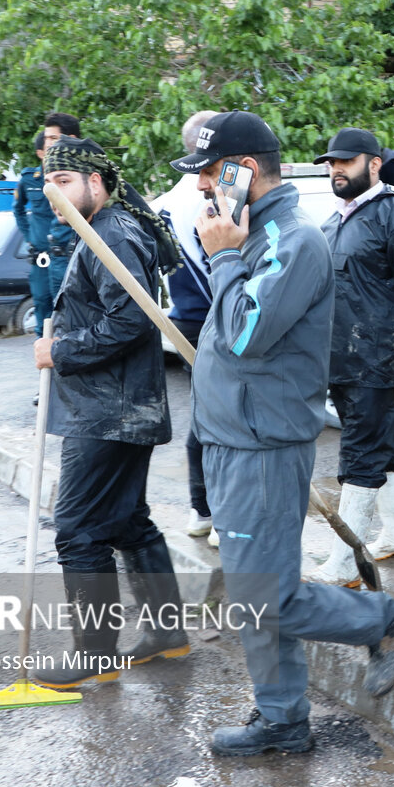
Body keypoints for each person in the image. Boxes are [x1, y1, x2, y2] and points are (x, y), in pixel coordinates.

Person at [168, 110, 394, 756]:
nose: (201, 186)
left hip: (262, 445)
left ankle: (386, 619)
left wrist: (223, 257)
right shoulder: (249, 229)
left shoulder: (295, 240)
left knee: (267, 596)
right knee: (256, 593)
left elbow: (246, 335)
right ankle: (283, 717)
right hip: (230, 439)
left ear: (244, 168)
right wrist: (223, 251)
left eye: (207, 172)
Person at [31, 135, 189, 688]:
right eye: (49, 181)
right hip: (118, 408)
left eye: (65, 181)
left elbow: (131, 321)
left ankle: (95, 652)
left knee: (77, 528)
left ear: (94, 183)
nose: (54, 192)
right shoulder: (101, 229)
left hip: (109, 412)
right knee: (125, 520)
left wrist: (61, 351)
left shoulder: (112, 235)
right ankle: (168, 633)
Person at [305, 127, 394, 587]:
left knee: (360, 458)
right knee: (387, 447)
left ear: (374, 164)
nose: (336, 169)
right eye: (331, 163)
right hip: (341, 364)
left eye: (346, 161)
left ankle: (345, 565)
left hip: (379, 365)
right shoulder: (332, 222)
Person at [152, 110, 220, 544]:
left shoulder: (159, 204)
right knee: (225, 418)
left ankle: (202, 511)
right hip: (216, 320)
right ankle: (219, 514)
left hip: (182, 324)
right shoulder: (211, 201)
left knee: (204, 414)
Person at [13, 131, 52, 337]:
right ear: (39, 153)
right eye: (49, 149)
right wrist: (30, 237)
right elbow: (18, 210)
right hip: (42, 258)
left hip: (68, 254)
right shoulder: (29, 180)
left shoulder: (70, 179)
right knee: (43, 308)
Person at [42, 112, 83, 298]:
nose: (48, 143)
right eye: (46, 138)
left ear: (71, 139)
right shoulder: (52, 173)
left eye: (53, 138)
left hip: (75, 259)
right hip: (56, 259)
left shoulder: (83, 176)